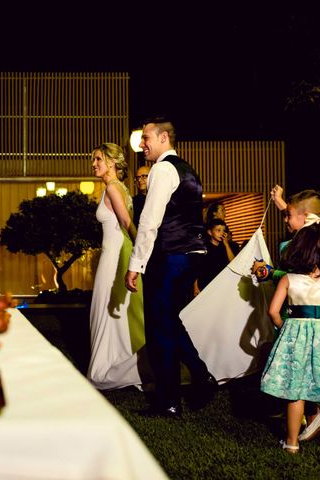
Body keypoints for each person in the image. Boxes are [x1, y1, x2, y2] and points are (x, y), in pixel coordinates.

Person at [125, 116, 216, 418]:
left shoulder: (162, 169)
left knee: (158, 328)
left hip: (169, 255)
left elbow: (150, 221)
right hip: (192, 254)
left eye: (146, 138)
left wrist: (136, 264)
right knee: (169, 321)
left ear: (164, 138)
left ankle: (169, 401)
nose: (142, 145)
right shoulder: (188, 170)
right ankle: (200, 377)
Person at [253, 186, 320, 442]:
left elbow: (301, 279)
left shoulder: (307, 244)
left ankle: (307, 422)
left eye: (288, 215)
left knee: (300, 373)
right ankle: (317, 418)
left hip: (300, 319)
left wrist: (269, 273)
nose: (285, 218)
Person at [87, 143, 145, 389]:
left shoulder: (112, 187)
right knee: (109, 312)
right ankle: (114, 359)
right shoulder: (115, 187)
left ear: (111, 162)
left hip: (114, 257)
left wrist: (142, 253)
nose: (93, 164)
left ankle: (107, 367)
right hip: (112, 254)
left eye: (98, 159)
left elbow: (126, 221)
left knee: (105, 310)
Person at [194, 218, 238, 295]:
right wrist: (195, 287)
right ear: (210, 232)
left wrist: (226, 244)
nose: (221, 233)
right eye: (218, 230)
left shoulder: (225, 247)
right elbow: (196, 269)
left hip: (221, 286)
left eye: (223, 231)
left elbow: (233, 262)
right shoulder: (203, 248)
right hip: (205, 286)